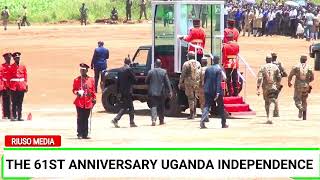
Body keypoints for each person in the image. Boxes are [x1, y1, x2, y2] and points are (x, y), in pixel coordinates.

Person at [200, 56, 228, 129]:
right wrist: (218, 92)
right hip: (216, 91)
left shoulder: (208, 69)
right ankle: (223, 123)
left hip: (207, 90)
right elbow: (219, 81)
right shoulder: (219, 69)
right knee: (221, 107)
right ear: (218, 61)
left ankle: (202, 122)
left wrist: (205, 89)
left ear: (212, 61)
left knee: (207, 106)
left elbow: (205, 80)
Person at [111, 57, 137, 128]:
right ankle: (116, 119)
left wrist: (118, 92)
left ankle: (131, 122)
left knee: (127, 106)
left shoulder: (120, 70)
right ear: (129, 62)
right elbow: (134, 80)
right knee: (128, 107)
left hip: (122, 91)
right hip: (128, 91)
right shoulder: (129, 69)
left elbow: (118, 82)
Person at [145, 59, 172, 126]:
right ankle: (161, 120)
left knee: (153, 106)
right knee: (161, 106)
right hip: (161, 92)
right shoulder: (164, 72)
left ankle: (154, 120)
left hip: (152, 92)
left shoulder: (150, 72)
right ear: (161, 64)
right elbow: (167, 83)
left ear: (155, 64)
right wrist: (170, 91)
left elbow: (146, 81)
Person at [72, 63, 96, 139]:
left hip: (88, 102)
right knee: (80, 118)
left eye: (83, 70)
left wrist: (94, 99)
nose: (82, 71)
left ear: (86, 71)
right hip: (79, 102)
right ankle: (79, 133)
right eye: (81, 70)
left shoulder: (91, 80)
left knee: (86, 118)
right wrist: (77, 93)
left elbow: (93, 91)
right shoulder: (77, 80)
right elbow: (74, 89)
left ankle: (85, 134)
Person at [256, 55, 281, 124]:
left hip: (265, 87)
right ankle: (270, 117)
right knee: (272, 101)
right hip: (273, 86)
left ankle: (268, 117)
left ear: (266, 60)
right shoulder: (275, 67)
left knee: (267, 102)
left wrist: (258, 87)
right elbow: (279, 77)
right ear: (271, 60)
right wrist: (278, 85)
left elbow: (260, 78)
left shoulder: (263, 67)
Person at [288, 55, 314, 120]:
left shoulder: (296, 67)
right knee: (304, 100)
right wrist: (308, 81)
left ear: (300, 59)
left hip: (298, 86)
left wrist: (289, 82)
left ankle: (301, 108)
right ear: (306, 60)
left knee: (296, 99)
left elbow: (290, 75)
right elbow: (312, 78)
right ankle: (304, 115)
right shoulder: (309, 67)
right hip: (306, 86)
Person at [178, 52, 201, 119]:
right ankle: (195, 112)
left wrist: (180, 82)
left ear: (188, 57)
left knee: (190, 98)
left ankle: (192, 114)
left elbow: (183, 74)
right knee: (195, 97)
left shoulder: (186, 63)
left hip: (188, 83)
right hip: (196, 82)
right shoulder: (198, 63)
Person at [9, 52, 28, 121]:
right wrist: (9, 87)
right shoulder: (11, 67)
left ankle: (19, 116)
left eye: (18, 58)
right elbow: (8, 78)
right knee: (14, 102)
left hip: (21, 86)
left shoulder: (23, 66)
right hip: (14, 87)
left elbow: (25, 76)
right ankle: (14, 116)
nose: (17, 59)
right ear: (14, 59)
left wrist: (26, 85)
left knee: (20, 102)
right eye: (16, 58)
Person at [271, 53, 287, 117]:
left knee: (271, 97)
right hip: (278, 82)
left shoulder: (269, 64)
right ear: (276, 57)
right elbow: (285, 73)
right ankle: (276, 112)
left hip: (271, 82)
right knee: (276, 97)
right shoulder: (279, 64)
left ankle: (274, 112)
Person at [1, 52, 12, 119]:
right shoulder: (2, 67)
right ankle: (5, 115)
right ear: (5, 58)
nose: (8, 58)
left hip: (13, 87)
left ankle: (12, 114)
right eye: (7, 58)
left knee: (14, 102)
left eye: (9, 57)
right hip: (5, 87)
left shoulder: (13, 66)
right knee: (6, 102)